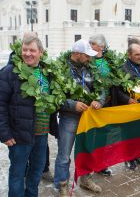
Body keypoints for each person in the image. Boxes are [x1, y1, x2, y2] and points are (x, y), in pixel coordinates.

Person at [0, 35, 53, 197]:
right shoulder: (9, 72)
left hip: (41, 133)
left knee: (36, 170)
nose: (28, 53)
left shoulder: (48, 72)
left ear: (41, 53)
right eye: (25, 49)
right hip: (19, 135)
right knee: (17, 172)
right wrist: (5, 133)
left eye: (32, 50)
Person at [54, 39, 105, 196]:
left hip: (88, 116)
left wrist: (100, 101)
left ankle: (85, 179)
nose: (89, 58)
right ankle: (62, 184)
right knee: (64, 153)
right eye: (86, 55)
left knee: (87, 150)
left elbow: (102, 89)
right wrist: (72, 104)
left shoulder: (90, 68)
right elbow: (54, 96)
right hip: (69, 117)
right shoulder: (60, 69)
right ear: (76, 54)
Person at [117, 43, 140, 170]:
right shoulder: (122, 69)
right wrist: (127, 99)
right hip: (130, 107)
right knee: (129, 134)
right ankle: (128, 158)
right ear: (129, 55)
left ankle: (138, 154)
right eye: (137, 54)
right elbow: (117, 90)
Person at [89, 34, 112, 176]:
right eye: (91, 44)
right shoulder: (88, 60)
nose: (91, 47)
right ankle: (91, 164)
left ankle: (101, 164)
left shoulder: (108, 60)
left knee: (104, 136)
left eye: (94, 44)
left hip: (108, 103)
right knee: (93, 136)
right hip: (94, 103)